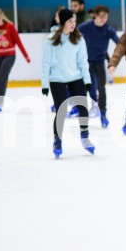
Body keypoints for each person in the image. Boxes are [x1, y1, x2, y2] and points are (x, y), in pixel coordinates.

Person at [41, 9, 94, 158]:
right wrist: (45, 84)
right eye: (70, 21)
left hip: (75, 77)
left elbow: (83, 62)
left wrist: (87, 80)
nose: (73, 24)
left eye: (75, 21)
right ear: (63, 22)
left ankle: (85, 137)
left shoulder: (78, 39)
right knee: (61, 111)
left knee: (83, 107)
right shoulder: (51, 39)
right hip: (57, 79)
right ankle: (57, 140)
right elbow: (45, 63)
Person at [78, 5, 120, 127]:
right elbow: (73, 35)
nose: (103, 19)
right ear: (95, 15)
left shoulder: (108, 30)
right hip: (86, 62)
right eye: (101, 16)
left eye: (105, 17)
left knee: (102, 89)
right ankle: (89, 107)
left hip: (100, 63)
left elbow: (120, 43)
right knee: (89, 87)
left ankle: (103, 114)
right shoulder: (86, 27)